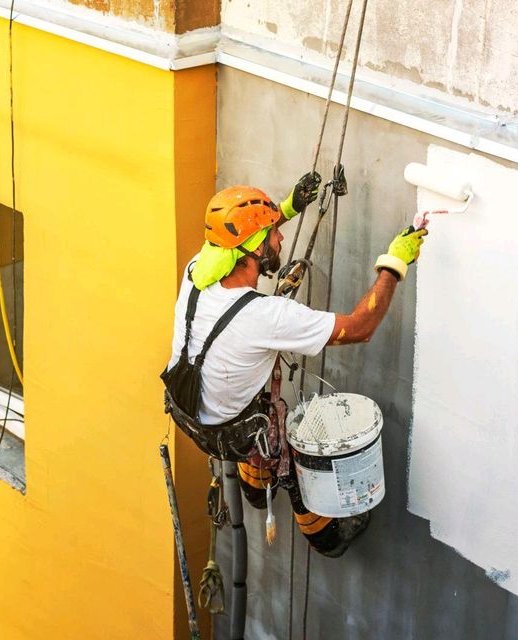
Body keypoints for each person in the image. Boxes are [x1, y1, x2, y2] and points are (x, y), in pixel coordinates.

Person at [162, 173, 428, 556]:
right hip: (232, 429)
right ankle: (323, 534)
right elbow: (361, 327)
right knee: (293, 442)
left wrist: (287, 207)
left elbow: (242, 239)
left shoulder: (196, 271)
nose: (281, 239)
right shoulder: (268, 316)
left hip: (189, 412)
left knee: (255, 405)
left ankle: (254, 488)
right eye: (274, 234)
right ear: (253, 249)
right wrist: (395, 262)